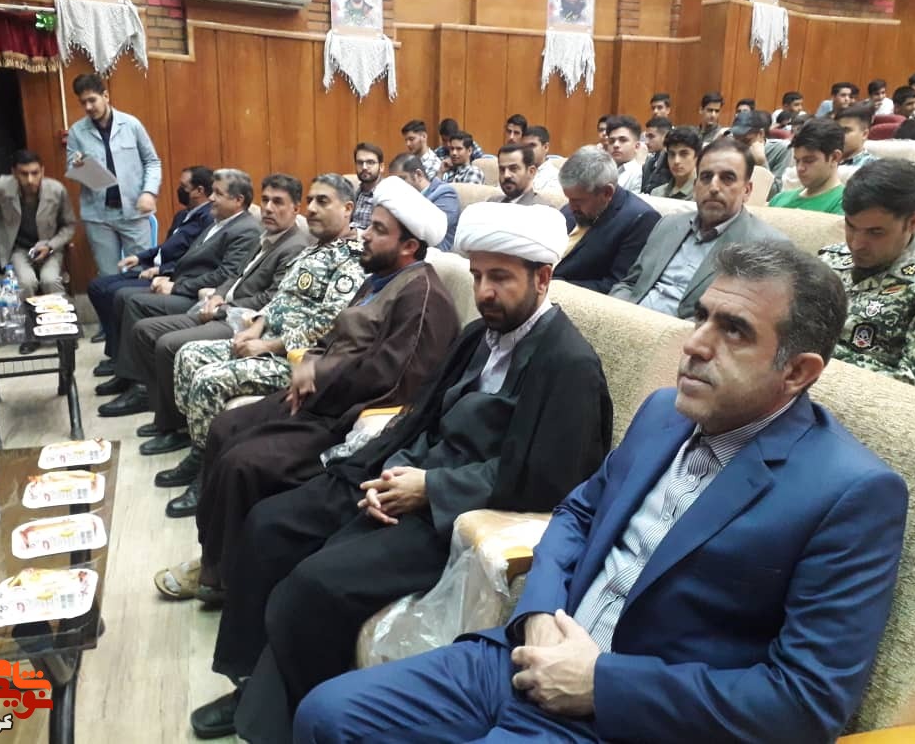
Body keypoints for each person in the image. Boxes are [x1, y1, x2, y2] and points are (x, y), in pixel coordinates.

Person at [297, 240, 908, 744]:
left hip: (629, 718)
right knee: (327, 716)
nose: (696, 344)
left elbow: (805, 702)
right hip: (521, 660)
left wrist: (603, 684)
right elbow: (577, 512)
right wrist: (538, 614)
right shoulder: (664, 413)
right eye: (701, 317)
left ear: (797, 372)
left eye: (735, 331)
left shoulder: (851, 494)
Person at [192, 202, 614, 741]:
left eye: (500, 278)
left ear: (543, 278)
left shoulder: (568, 364)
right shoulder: (479, 335)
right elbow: (422, 417)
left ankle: (290, 722)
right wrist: (394, 469)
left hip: (458, 518)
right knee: (271, 528)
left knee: (313, 585)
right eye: (478, 276)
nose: (484, 292)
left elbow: (548, 481)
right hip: (409, 483)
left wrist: (429, 488)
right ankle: (252, 685)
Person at [156, 175, 461, 598]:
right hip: (320, 394)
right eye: (370, 225)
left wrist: (318, 375)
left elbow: (390, 379)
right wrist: (311, 362)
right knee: (225, 429)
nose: (365, 235)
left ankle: (222, 576)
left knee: (243, 463)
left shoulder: (421, 296)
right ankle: (216, 554)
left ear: (409, 246)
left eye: (378, 230)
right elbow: (334, 335)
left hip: (349, 418)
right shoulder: (380, 277)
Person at [160, 174, 366, 515]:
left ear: (347, 209)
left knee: (209, 380)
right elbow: (280, 299)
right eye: (310, 201)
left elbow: (330, 323)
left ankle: (207, 477)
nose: (312, 209)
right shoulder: (314, 248)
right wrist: (256, 327)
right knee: (188, 355)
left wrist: (268, 346)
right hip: (267, 340)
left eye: (323, 202)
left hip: (296, 359)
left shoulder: (352, 259)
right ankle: (200, 453)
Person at [95, 174, 312, 425]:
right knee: (144, 329)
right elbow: (237, 275)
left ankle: (172, 424)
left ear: (296, 209)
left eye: (278, 202)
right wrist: (218, 294)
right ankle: (151, 399)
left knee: (167, 344)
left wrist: (223, 306)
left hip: (241, 320)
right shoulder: (267, 235)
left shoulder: (294, 246)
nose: (268, 208)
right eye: (265, 200)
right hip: (217, 304)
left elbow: (271, 298)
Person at [93, 169, 261, 398]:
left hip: (199, 297)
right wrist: (167, 275)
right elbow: (189, 259)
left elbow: (226, 274)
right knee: (121, 296)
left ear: (238, 200)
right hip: (184, 284)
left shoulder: (246, 229)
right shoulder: (219, 221)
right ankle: (126, 373)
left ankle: (141, 387)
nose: (211, 198)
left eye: (218, 193)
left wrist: (176, 286)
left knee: (134, 301)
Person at [821, 158, 915, 394]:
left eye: (875, 232)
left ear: (913, 222)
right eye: (851, 226)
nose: (856, 244)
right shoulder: (831, 259)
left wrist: (824, 359)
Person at [610, 137, 785, 317]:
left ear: (746, 190)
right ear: (695, 187)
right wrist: (614, 315)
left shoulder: (766, 247)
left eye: (727, 178)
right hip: (629, 321)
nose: (714, 187)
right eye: (706, 177)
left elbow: (747, 320)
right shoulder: (667, 225)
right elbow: (629, 283)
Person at [89, 166, 214, 376]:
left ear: (198, 190)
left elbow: (194, 258)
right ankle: (116, 352)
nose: (179, 189)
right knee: (97, 286)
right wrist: (140, 257)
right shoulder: (183, 214)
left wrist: (161, 270)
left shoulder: (207, 219)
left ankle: (121, 359)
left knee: (114, 292)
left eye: (183, 186)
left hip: (168, 275)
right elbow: (166, 247)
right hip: (154, 267)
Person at [0, 149, 76, 355]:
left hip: (49, 247)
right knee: (26, 283)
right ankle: (31, 333)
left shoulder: (56, 189)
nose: (30, 179)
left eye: (35, 173)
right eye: (24, 174)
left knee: (50, 280)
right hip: (18, 248)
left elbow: (69, 225)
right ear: (14, 173)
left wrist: (51, 245)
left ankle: (63, 333)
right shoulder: (1, 186)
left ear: (42, 171)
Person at [66, 73, 161, 278]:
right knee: (108, 275)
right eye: (83, 103)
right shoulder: (76, 132)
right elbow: (71, 167)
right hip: (98, 216)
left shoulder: (131, 124)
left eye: (92, 100)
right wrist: (78, 166)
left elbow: (152, 161)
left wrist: (149, 192)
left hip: (133, 211)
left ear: (106, 96)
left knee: (142, 273)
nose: (88, 107)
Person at [555, 146, 660, 294]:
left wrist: (554, 286)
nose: (571, 207)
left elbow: (618, 285)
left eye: (578, 201)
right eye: (569, 199)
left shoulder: (641, 219)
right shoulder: (575, 206)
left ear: (607, 192)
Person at [769, 118, 845, 215]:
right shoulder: (778, 199)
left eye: (809, 161)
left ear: (834, 157)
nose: (800, 168)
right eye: (797, 161)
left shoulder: (846, 204)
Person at [389, 153, 459, 250]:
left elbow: (432, 230)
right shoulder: (404, 198)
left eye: (402, 179)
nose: (398, 186)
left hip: (435, 252)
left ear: (418, 175)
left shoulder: (445, 193)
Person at [729, 110, 790, 198]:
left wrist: (761, 163)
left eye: (746, 141)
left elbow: (775, 195)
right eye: (736, 141)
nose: (741, 147)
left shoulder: (781, 149)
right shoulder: (731, 149)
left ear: (761, 134)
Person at [650, 126, 701, 200]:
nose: (676, 161)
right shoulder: (657, 193)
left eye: (684, 154)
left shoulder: (702, 195)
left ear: (697, 156)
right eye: (672, 154)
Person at [606, 114, 643, 192]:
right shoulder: (604, 171)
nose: (615, 145)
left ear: (637, 146)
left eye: (623, 140)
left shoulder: (639, 173)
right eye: (611, 141)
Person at [350, 142, 382, 232]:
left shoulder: (386, 195)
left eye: (370, 162)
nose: (364, 167)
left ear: (381, 167)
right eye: (360, 163)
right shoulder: (354, 193)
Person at [521, 125, 561, 192]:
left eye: (532, 145)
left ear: (546, 147)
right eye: (524, 146)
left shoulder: (554, 177)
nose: (527, 150)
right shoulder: (515, 171)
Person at [837, 105, 877, 170]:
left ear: (864, 134)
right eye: (837, 130)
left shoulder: (873, 167)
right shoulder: (827, 161)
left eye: (846, 130)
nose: (839, 135)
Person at [641, 116, 672, 194]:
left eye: (651, 137)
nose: (646, 142)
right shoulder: (651, 161)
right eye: (646, 137)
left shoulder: (670, 162)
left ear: (666, 136)